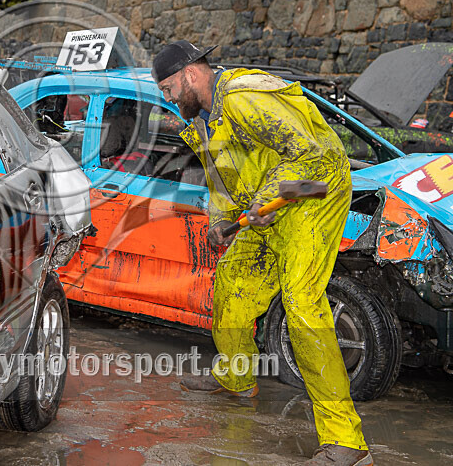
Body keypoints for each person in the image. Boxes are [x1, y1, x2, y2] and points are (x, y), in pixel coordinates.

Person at [152, 41, 372, 466]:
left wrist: (271, 196)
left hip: (313, 193)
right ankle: (236, 378)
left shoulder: (243, 97)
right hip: (265, 207)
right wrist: (223, 218)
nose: (167, 98)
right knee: (232, 287)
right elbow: (223, 176)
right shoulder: (202, 121)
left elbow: (314, 154)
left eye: (168, 87)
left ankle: (348, 441)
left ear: (191, 75)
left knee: (302, 304)